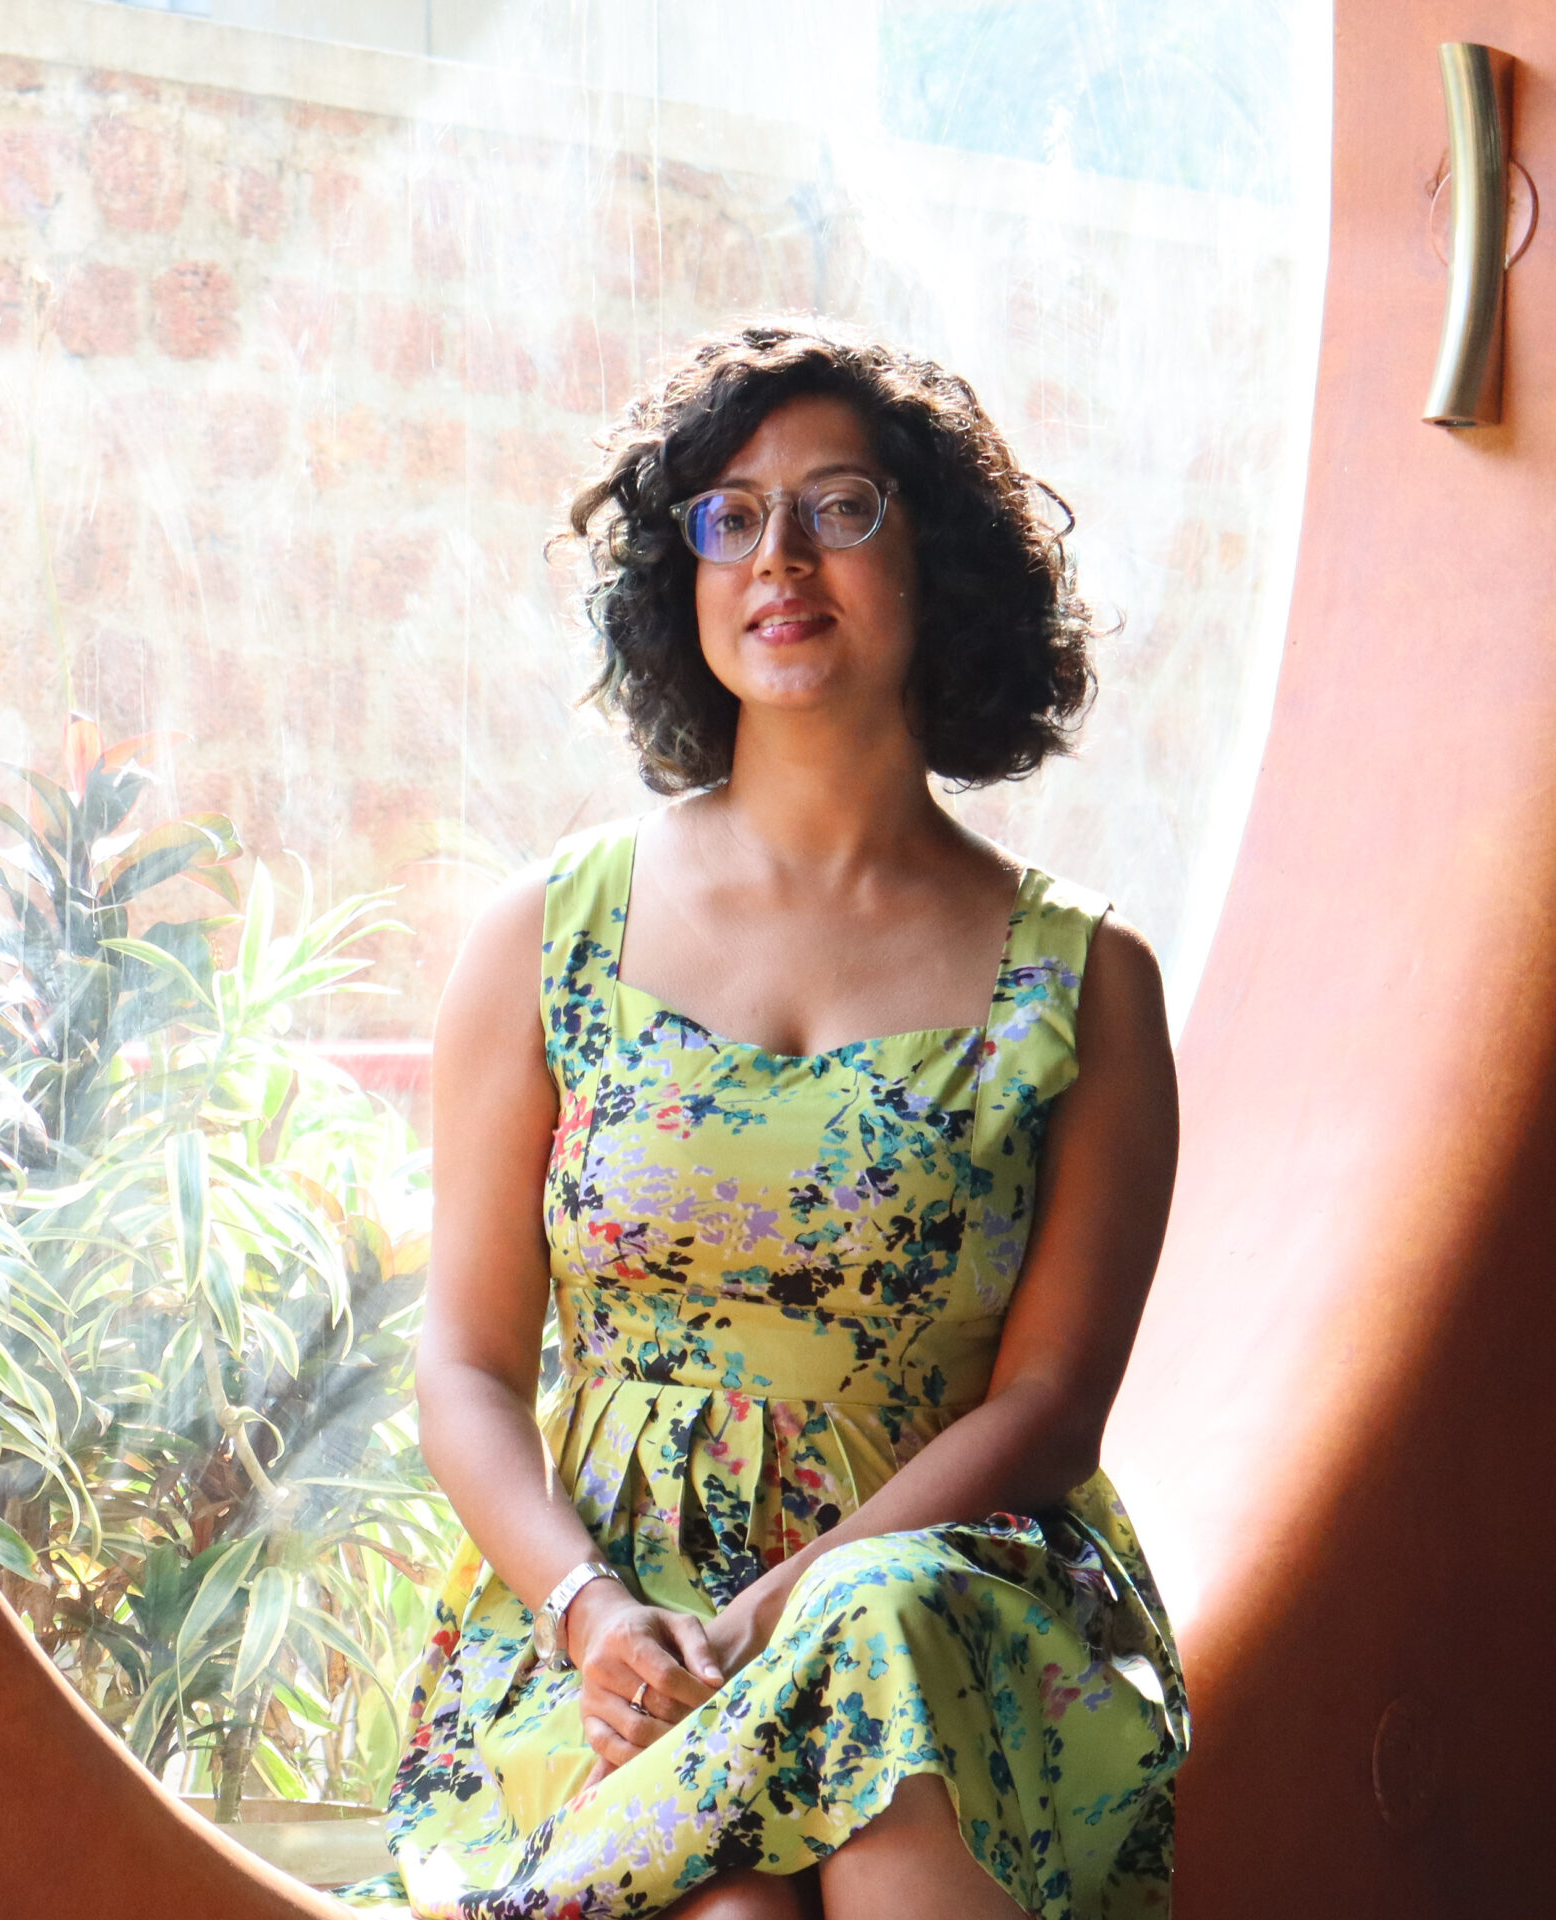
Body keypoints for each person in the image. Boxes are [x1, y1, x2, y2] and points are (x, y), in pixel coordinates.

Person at [381, 321, 1188, 1919]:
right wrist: (602, 1621)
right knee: (730, 1906)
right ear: (679, 580)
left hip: (951, 1615)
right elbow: (466, 1370)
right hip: (605, 1643)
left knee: (891, 1701)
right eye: (730, 516)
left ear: (938, 561)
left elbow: (1053, 1405)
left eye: (840, 506)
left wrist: (777, 1619)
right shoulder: (547, 934)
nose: (779, 556)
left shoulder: (1087, 980)